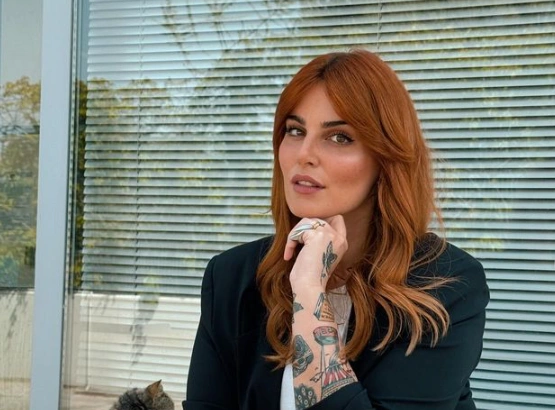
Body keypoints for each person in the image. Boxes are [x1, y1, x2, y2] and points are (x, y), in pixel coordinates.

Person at [183, 49, 489, 410]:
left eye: (340, 137)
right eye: (295, 130)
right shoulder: (231, 277)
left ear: (386, 159)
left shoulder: (445, 286)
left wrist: (309, 291)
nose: (304, 154)